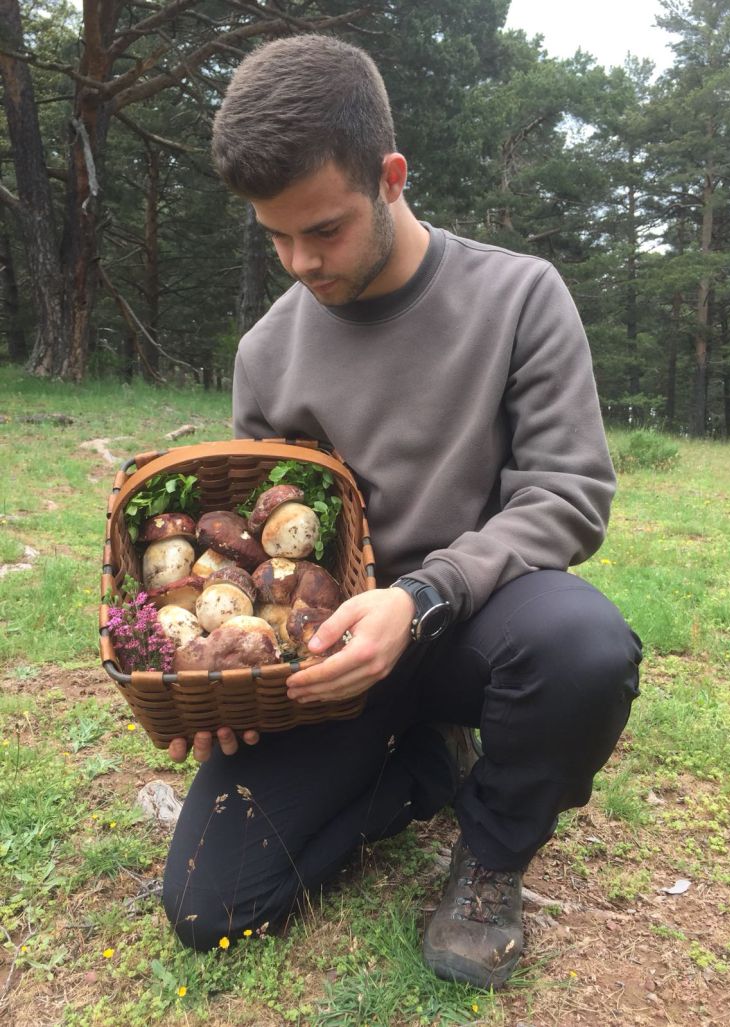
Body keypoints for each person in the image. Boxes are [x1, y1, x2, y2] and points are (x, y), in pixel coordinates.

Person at [162, 33, 642, 990]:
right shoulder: (266, 353)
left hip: (478, 624)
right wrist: (228, 685)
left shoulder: (516, 296)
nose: (300, 260)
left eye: (324, 229)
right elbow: (259, 550)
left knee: (582, 644)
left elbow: (569, 492)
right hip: (333, 651)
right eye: (275, 235)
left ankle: (492, 856)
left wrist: (421, 596)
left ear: (391, 176)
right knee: (212, 907)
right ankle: (423, 769)